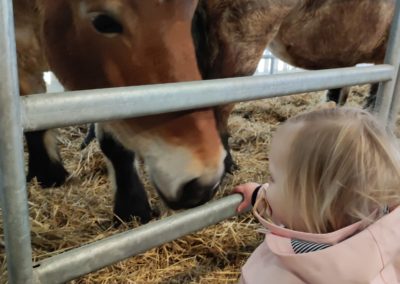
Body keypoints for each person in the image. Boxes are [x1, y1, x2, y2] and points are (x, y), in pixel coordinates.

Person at [233, 107, 400, 283]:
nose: (267, 182)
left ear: (313, 203)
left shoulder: (292, 274)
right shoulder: (379, 228)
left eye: (273, 178)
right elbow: (293, 208)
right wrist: (258, 195)